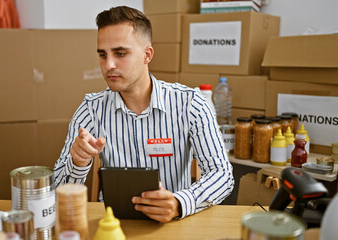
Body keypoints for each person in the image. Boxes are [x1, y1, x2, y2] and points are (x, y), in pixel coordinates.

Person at [54, 6, 234, 223]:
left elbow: (222, 175)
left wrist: (180, 203)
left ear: (147, 55)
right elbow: (56, 191)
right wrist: (77, 161)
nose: (108, 65)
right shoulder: (91, 109)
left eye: (120, 53)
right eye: (103, 55)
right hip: (114, 227)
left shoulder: (190, 104)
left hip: (174, 225)